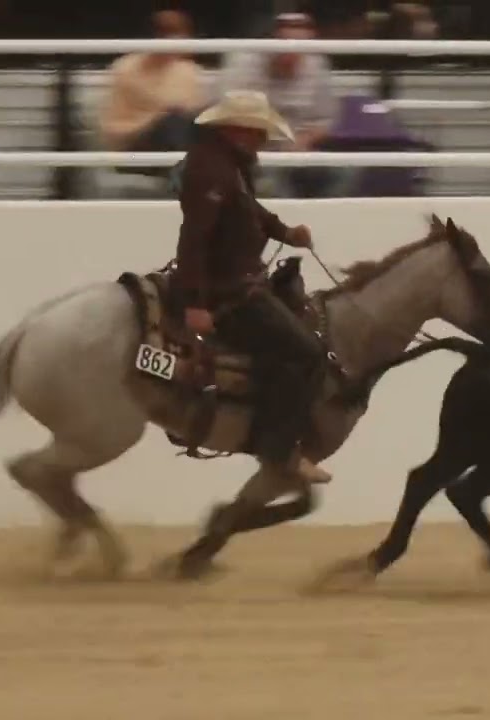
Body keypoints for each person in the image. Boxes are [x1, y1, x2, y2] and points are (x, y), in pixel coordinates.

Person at [169, 89, 332, 486]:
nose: (263, 140)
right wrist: (195, 302)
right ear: (238, 130)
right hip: (229, 291)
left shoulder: (228, 164)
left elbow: (249, 211)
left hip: (239, 283)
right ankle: (279, 450)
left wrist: (285, 232)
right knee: (308, 353)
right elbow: (194, 240)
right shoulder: (212, 171)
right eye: (259, 131)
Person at [216, 12, 343, 198]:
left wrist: (303, 140)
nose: (291, 56)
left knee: (343, 172)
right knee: (273, 181)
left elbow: (325, 120)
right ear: (273, 39)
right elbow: (226, 117)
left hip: (298, 149)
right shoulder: (242, 64)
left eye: (299, 49)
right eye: (285, 44)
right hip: (253, 150)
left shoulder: (316, 66)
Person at [97, 9, 205, 156]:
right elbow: (112, 128)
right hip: (133, 146)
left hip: (178, 141)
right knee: (173, 122)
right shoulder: (126, 68)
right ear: (157, 36)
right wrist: (156, 121)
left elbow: (193, 116)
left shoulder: (188, 70)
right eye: (172, 33)